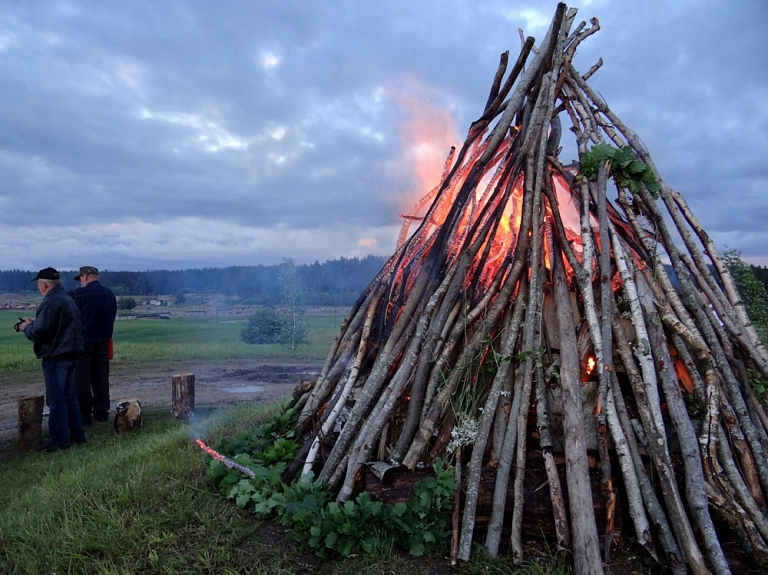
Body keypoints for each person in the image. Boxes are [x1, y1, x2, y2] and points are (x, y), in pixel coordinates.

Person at [17, 267, 86, 452]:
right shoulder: (66, 298)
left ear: (44, 285)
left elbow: (41, 332)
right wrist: (36, 322)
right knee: (70, 397)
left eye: (39, 284)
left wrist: (26, 328)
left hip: (55, 357)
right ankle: (77, 434)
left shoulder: (51, 302)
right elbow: (56, 326)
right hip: (70, 354)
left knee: (56, 401)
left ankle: (59, 439)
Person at [71, 265, 117, 424]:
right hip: (103, 341)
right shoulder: (109, 294)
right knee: (101, 378)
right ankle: (101, 411)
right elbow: (112, 316)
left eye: (81, 279)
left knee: (82, 380)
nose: (80, 282)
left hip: (83, 342)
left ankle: (84, 415)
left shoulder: (79, 294)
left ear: (84, 277)